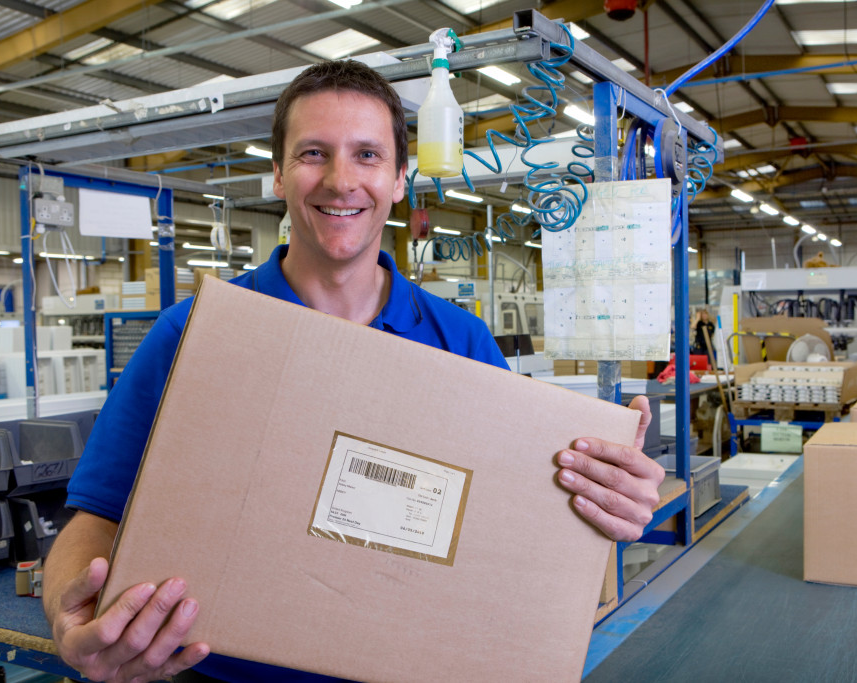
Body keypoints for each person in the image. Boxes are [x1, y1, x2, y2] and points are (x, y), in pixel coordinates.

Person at [42, 60, 665, 683]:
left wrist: (603, 508)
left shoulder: (460, 341)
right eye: (314, 153)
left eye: (367, 155)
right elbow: (96, 517)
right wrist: (72, 617)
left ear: (399, 179)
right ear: (279, 176)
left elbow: (512, 527)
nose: (341, 181)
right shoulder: (195, 333)